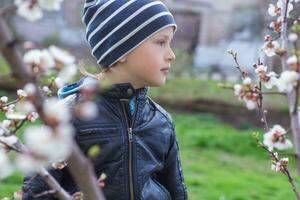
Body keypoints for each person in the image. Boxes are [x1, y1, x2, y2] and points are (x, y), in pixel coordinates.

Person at [22, 0, 187, 199]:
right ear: (123, 49)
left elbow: (176, 191)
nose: (171, 55)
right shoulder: (69, 117)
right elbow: (38, 190)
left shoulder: (161, 121)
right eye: (161, 42)